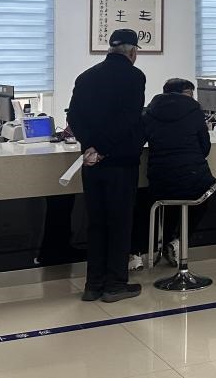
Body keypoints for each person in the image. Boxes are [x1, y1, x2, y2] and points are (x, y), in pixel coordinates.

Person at [67, 29, 146, 303]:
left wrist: (90, 147)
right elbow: (128, 119)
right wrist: (103, 148)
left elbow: (74, 117)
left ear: (110, 49)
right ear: (132, 52)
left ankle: (93, 285)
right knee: (120, 223)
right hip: (120, 162)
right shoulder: (134, 76)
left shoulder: (86, 77)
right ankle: (115, 284)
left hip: (91, 163)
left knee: (97, 223)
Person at [144, 78, 216, 262]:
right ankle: (179, 241)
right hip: (193, 179)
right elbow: (205, 147)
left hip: (160, 180)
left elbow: (140, 140)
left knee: (168, 202)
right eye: (189, 94)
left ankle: (167, 242)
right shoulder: (194, 111)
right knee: (204, 195)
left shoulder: (150, 112)